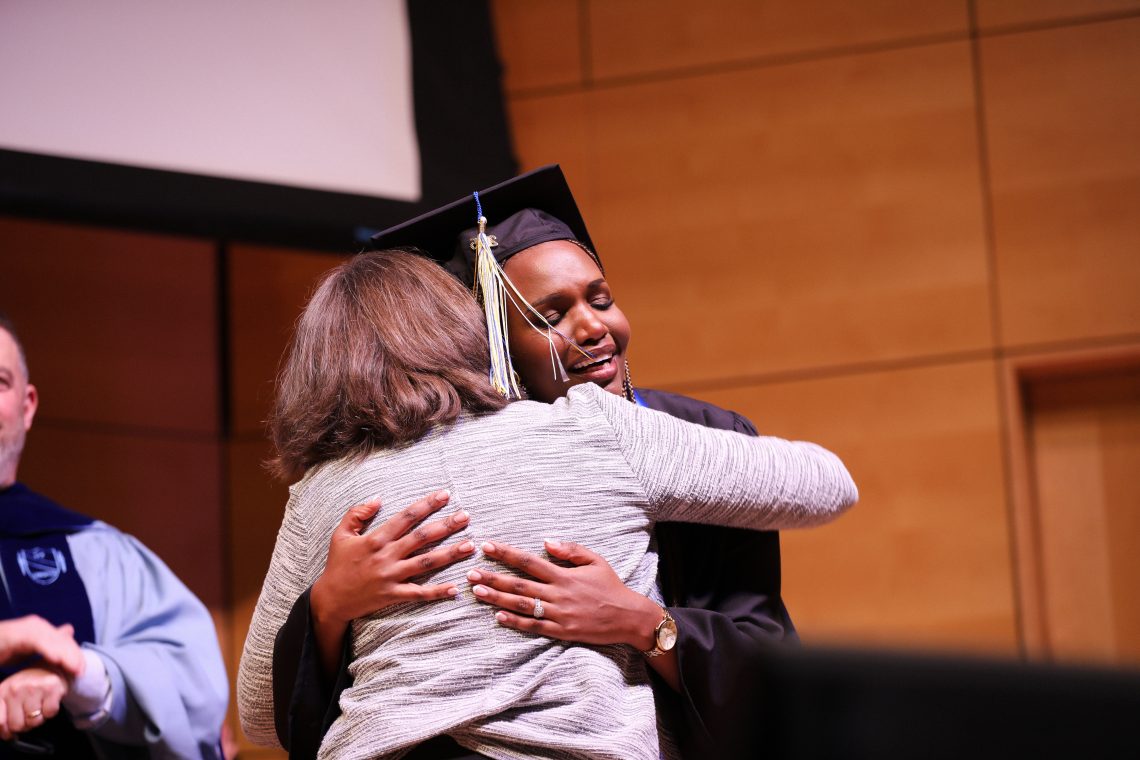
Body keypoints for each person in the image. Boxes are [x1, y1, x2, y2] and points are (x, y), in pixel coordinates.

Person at [270, 166, 812, 758]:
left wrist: (641, 624)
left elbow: (767, 660)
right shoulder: (416, 471)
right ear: (487, 342)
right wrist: (327, 605)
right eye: (548, 317)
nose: (593, 329)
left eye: (601, 299)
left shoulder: (699, 438)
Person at [0, 314, 229, 758]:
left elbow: (197, 692)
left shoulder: (94, 550)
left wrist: (80, 675)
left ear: (26, 408)